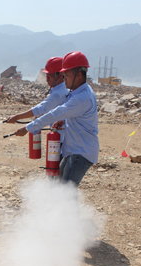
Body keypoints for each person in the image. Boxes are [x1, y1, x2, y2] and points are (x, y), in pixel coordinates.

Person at [12, 51, 99, 186]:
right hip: (73, 149)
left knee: (66, 191)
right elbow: (66, 114)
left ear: (79, 75)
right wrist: (63, 120)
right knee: (60, 187)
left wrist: (27, 127)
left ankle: (66, 208)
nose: (64, 79)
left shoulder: (81, 98)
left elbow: (55, 113)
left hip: (81, 152)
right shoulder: (79, 92)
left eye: (67, 75)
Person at [5, 56, 68, 136]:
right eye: (46, 74)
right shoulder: (63, 89)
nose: (47, 78)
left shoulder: (58, 94)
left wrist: (17, 118)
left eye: (50, 74)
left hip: (63, 138)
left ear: (60, 75)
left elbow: (41, 109)